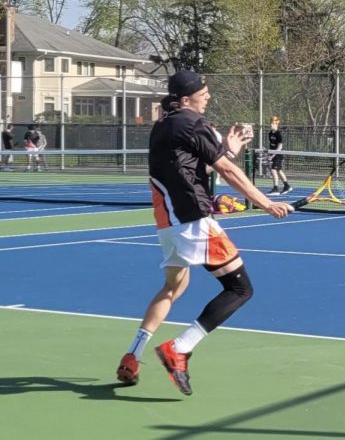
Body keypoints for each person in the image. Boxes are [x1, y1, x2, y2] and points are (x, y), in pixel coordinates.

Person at [115, 71, 293, 395]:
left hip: (168, 226)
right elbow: (225, 169)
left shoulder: (164, 126)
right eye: (203, 93)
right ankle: (179, 349)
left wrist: (228, 148)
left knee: (173, 287)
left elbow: (196, 167)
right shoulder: (192, 123)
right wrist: (267, 203)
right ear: (185, 99)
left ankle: (133, 354)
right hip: (193, 222)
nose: (208, 97)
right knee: (240, 289)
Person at [267, 116, 292, 194]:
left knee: (273, 170)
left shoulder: (279, 134)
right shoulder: (270, 133)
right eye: (271, 123)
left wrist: (273, 155)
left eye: (273, 123)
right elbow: (272, 145)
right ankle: (287, 186)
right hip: (273, 154)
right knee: (279, 170)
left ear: (276, 124)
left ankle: (275, 189)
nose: (271, 125)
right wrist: (270, 154)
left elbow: (280, 147)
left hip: (278, 155)